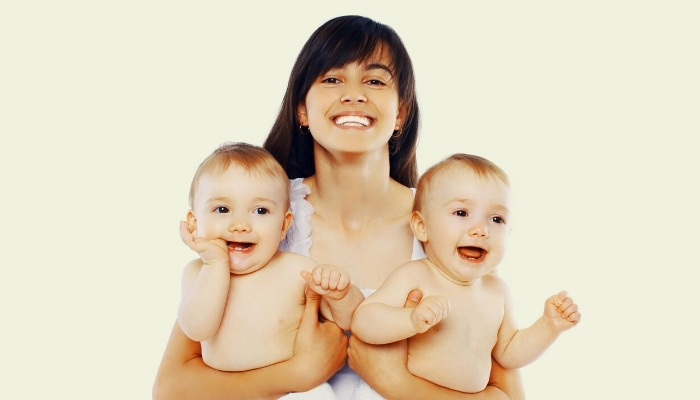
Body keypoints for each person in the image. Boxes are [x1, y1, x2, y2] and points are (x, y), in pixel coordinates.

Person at [153, 15, 525, 400]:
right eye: (332, 79)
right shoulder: (254, 216)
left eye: (375, 80)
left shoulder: (451, 223)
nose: (353, 94)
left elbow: (506, 394)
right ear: (301, 109)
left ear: (400, 112)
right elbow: (171, 387)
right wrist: (297, 374)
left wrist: (395, 382)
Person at [351, 153, 581, 396]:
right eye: (461, 213)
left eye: (496, 219)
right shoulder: (416, 275)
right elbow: (364, 320)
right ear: (422, 226)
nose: (481, 229)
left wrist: (547, 327)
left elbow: (508, 353)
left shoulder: (497, 290)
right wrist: (409, 320)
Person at [176, 142, 364, 398]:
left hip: (296, 393)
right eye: (222, 209)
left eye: (260, 211)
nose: (240, 225)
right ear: (194, 223)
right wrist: (215, 263)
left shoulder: (296, 270)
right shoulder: (197, 273)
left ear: (284, 224)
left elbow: (348, 319)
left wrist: (341, 294)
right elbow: (197, 329)